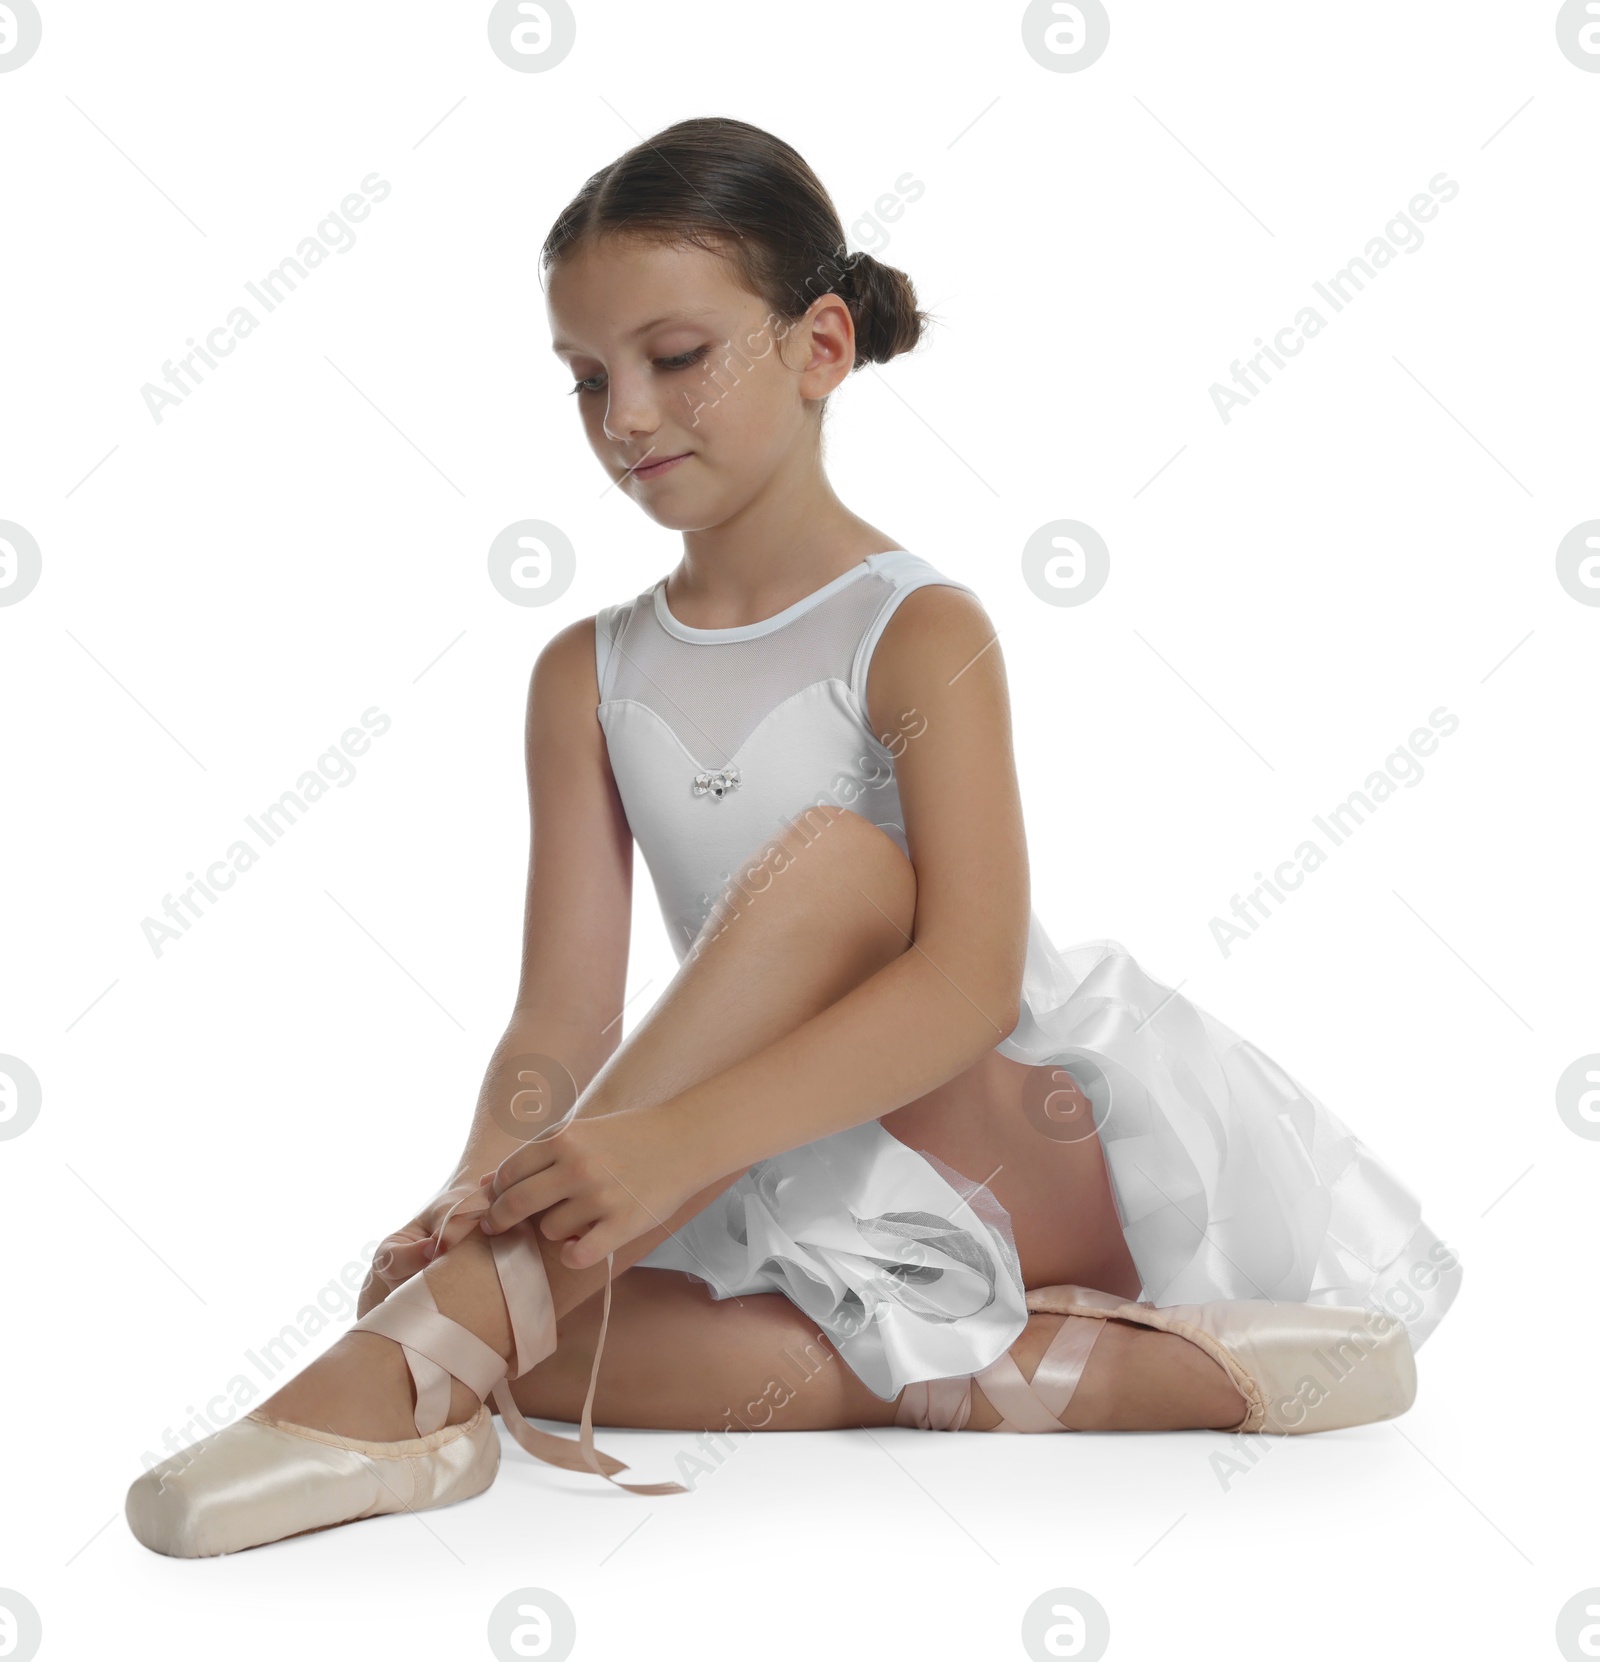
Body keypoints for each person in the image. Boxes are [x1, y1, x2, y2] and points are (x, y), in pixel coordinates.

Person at [125, 115, 1458, 1558]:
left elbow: (964, 980)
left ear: (820, 347)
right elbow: (560, 1016)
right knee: (540, 1340)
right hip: (782, 1158)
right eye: (586, 379)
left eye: (674, 358)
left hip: (991, 1135)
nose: (624, 416)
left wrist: (664, 1147)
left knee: (839, 867)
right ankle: (1072, 1373)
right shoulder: (587, 673)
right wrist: (477, 1194)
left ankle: (390, 1377)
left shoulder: (917, 629)